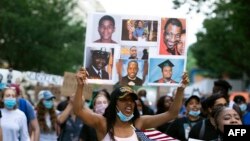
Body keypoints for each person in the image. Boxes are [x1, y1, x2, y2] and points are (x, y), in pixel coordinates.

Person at [73, 68, 189, 141]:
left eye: (132, 100)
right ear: (114, 104)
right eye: (124, 99)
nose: (129, 103)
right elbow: (78, 110)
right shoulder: (103, 123)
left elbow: (172, 114)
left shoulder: (139, 123)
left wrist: (180, 90)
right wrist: (80, 86)